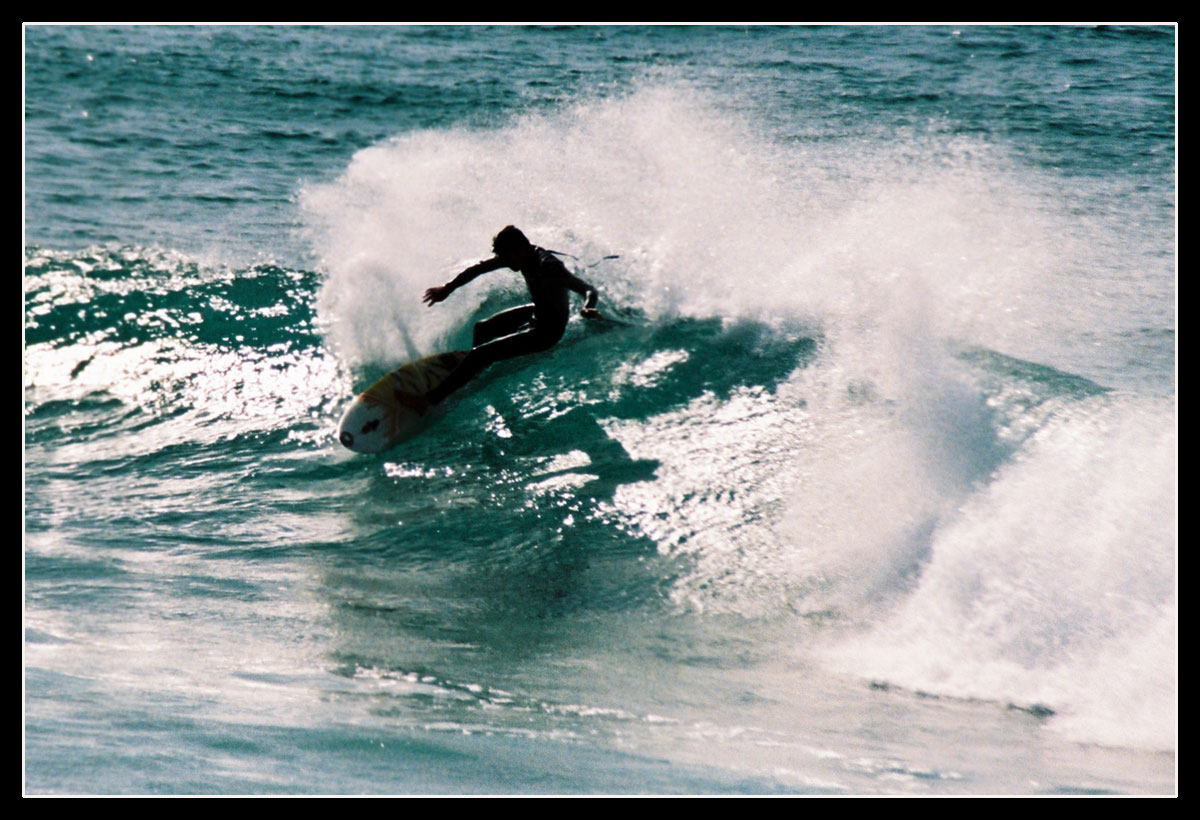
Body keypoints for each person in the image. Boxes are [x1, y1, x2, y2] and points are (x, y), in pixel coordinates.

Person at [420, 225, 602, 407]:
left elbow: (587, 289)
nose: (505, 263)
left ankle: (427, 401)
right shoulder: (519, 256)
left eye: (507, 258)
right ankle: (474, 372)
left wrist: (587, 307)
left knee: (480, 354)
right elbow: (478, 269)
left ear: (520, 250)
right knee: (482, 328)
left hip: (547, 332)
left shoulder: (549, 266)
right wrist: (448, 288)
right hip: (537, 312)